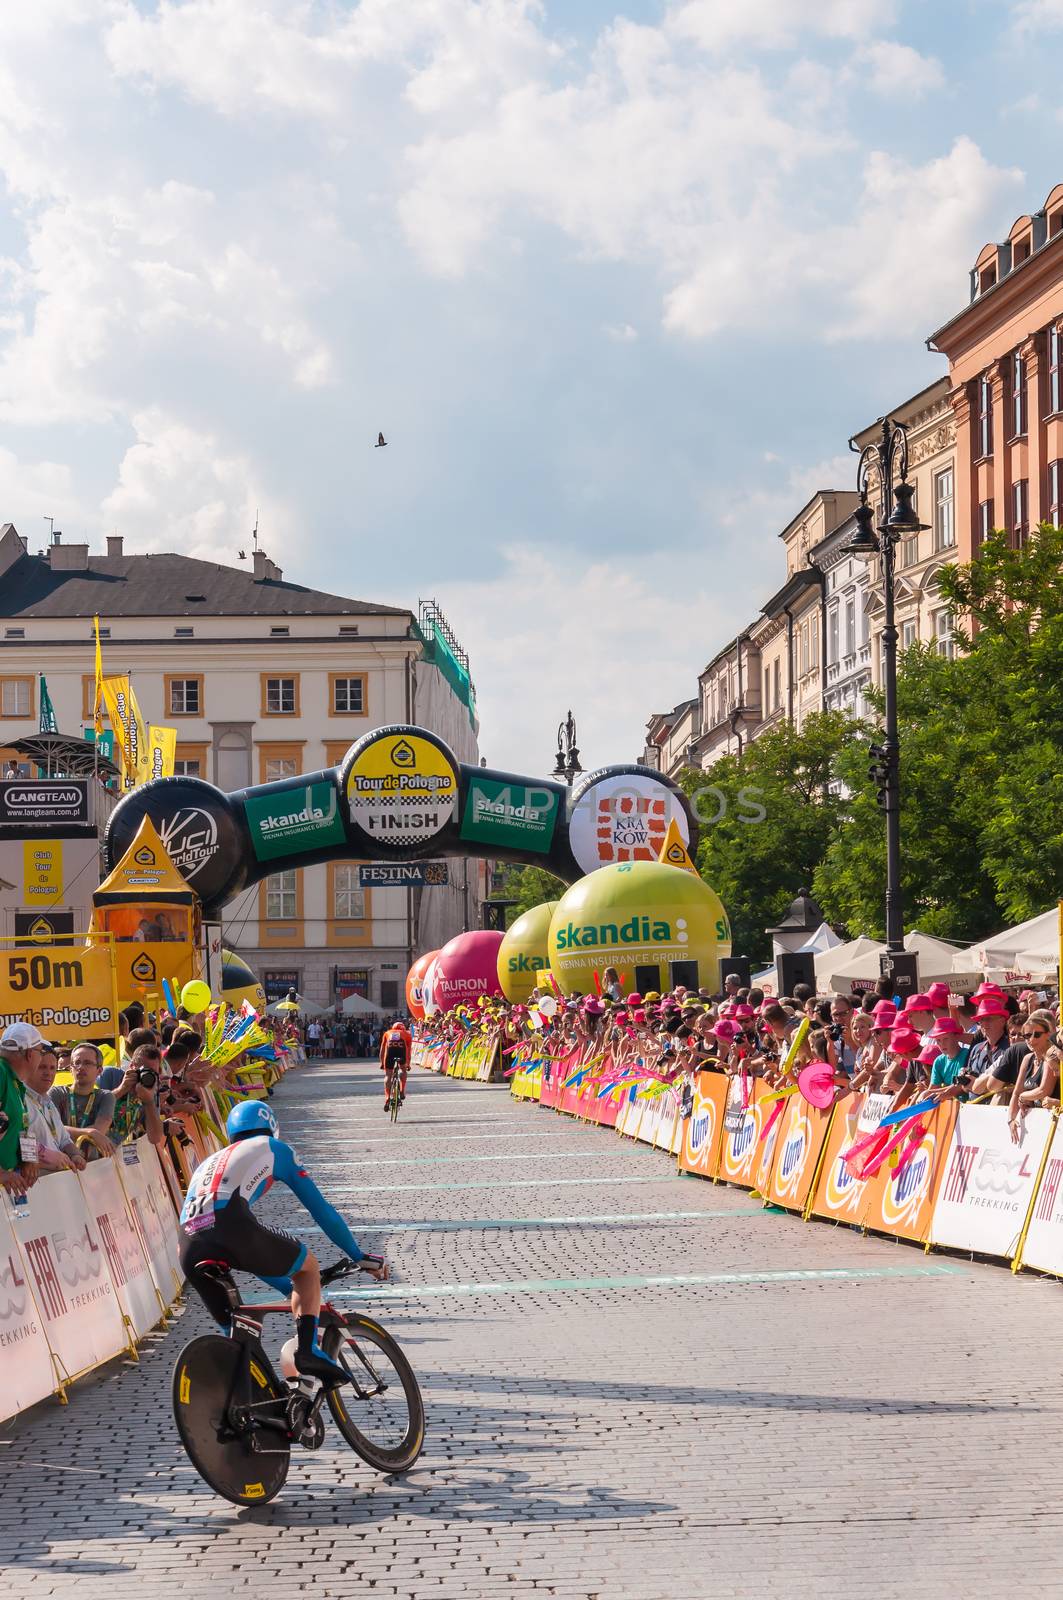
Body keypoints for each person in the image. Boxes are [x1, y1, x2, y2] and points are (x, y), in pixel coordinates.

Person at [179, 1100, 388, 1381]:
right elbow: (321, 1210)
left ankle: (247, 1403)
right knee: (308, 1266)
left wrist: (287, 1289)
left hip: (188, 1242)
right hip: (231, 1225)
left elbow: (249, 1255)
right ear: (272, 1127)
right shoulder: (275, 1148)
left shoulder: (211, 1161)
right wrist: (357, 1254)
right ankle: (307, 1351)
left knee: (238, 1339)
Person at [13, 1041, 85, 1172]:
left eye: (52, 1068)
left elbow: (64, 1140)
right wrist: (49, 1156)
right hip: (33, 1181)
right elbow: (14, 1141)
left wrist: (75, 1154)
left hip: (55, 1179)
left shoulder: (48, 1102)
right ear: (31, 1066)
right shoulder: (18, 1098)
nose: (48, 1073)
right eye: (42, 1067)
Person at [48, 1041, 116, 1157]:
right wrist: (90, 1132)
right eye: (77, 1063)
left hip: (92, 1167)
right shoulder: (56, 1093)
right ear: (70, 1069)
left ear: (99, 1070)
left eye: (87, 1063)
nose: (81, 1067)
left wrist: (94, 1132)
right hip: (61, 1166)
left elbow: (100, 1129)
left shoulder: (106, 1096)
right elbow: (52, 1129)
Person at [0, 1022, 42, 1196]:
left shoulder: (16, 1082)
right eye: (41, 1052)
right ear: (30, 1054)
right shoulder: (1, 1073)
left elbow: (23, 1125)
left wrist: (29, 1158)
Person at [380, 1017, 412, 1108]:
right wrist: (408, 1064)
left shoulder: (387, 1033)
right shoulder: (407, 1034)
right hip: (401, 1052)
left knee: (388, 1075)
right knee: (403, 1070)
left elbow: (382, 1049)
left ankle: (387, 1098)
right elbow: (408, 1050)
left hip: (390, 1053)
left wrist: (382, 1063)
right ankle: (402, 1091)